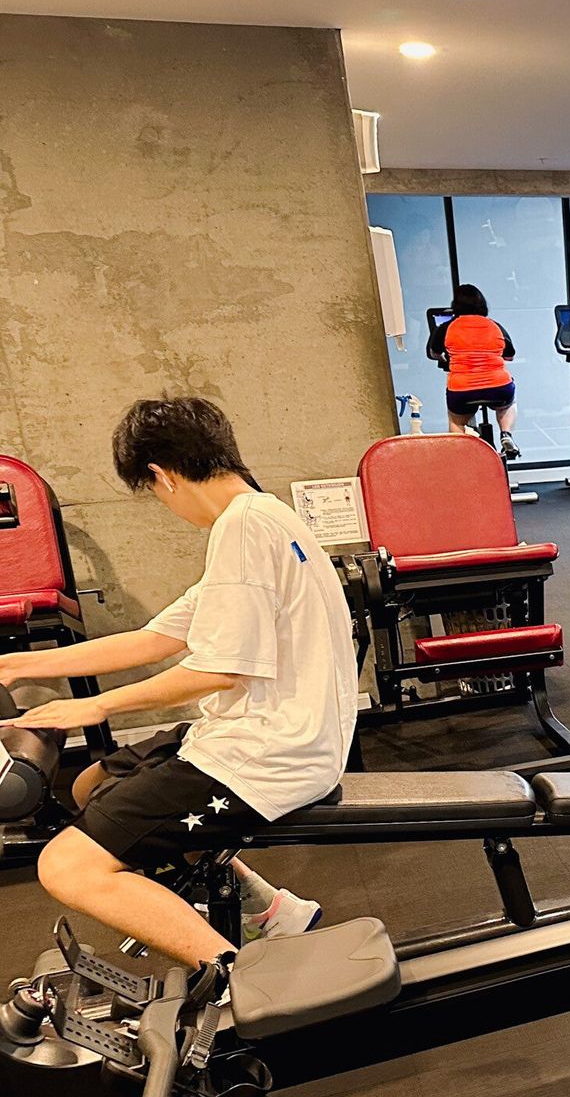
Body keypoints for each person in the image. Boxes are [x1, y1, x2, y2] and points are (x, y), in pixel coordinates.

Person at [0, 398, 359, 976]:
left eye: (154, 492)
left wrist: (91, 706)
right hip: (270, 736)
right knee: (94, 783)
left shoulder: (242, 529)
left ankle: (238, 981)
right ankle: (271, 911)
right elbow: (153, 639)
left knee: (65, 867)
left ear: (162, 475)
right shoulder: (262, 517)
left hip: (270, 755)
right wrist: (14, 667)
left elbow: (219, 671)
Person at [426, 284, 520, 461]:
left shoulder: (446, 327)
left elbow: (433, 353)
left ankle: (461, 453)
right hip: (498, 387)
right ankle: (506, 434)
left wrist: (447, 357)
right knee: (508, 404)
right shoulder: (495, 326)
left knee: (456, 420)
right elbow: (510, 356)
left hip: (462, 390)